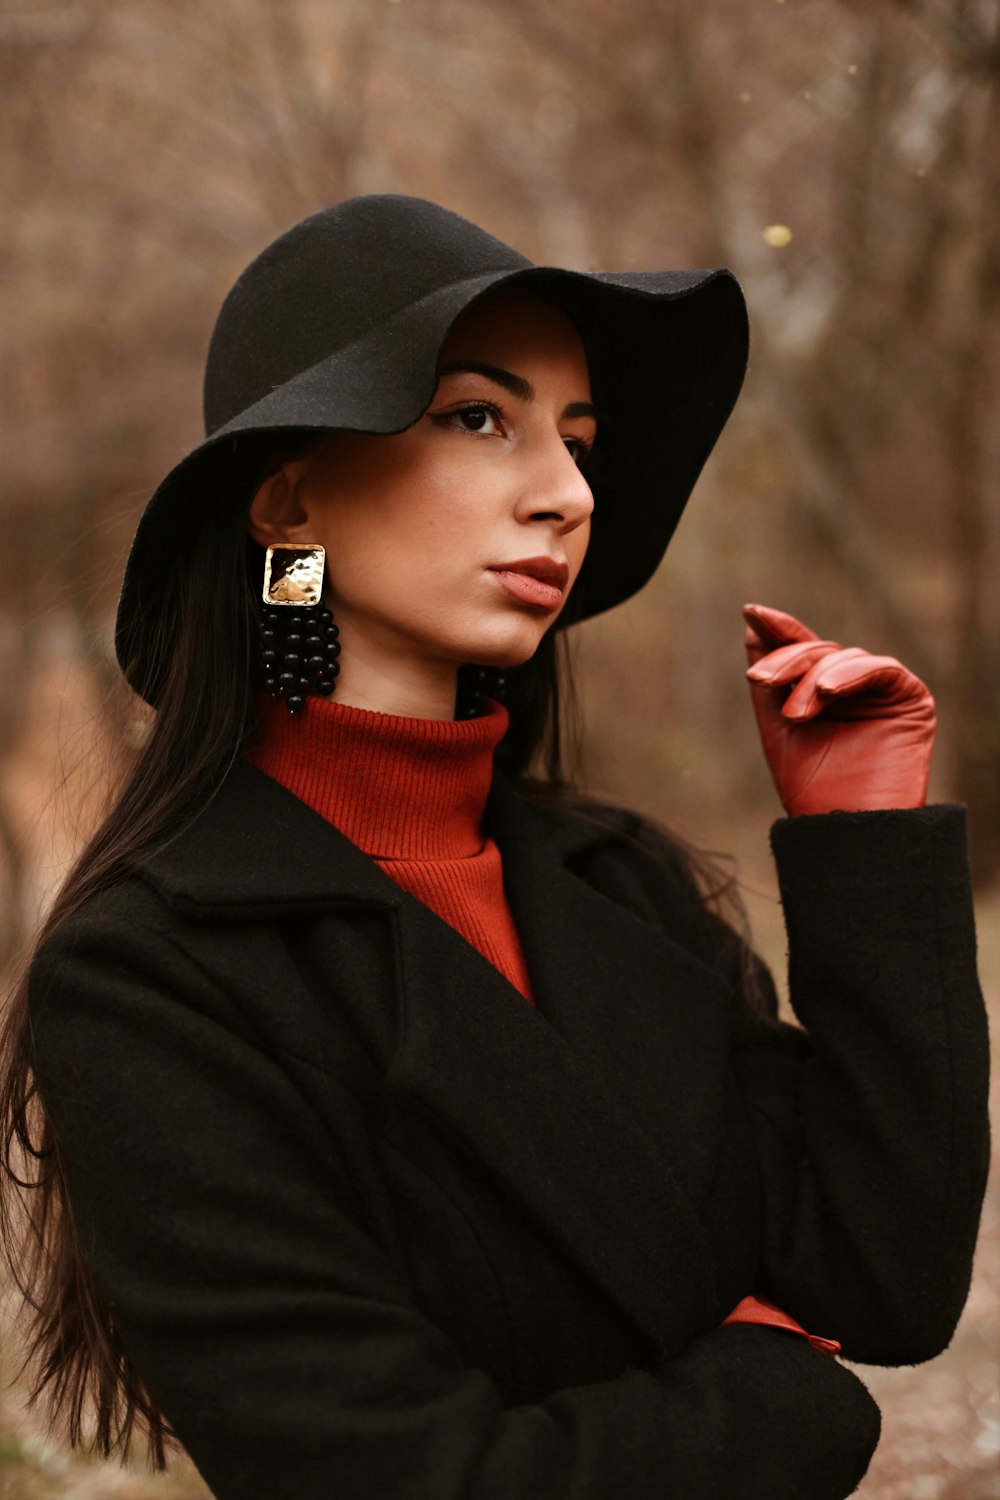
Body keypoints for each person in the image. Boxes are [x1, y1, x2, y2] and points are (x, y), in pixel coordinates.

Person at [0, 194, 989, 1500]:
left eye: (579, 442)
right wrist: (780, 1405)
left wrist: (860, 833)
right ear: (290, 501)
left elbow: (885, 1273)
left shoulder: (621, 881)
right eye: (480, 417)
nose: (570, 494)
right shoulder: (153, 978)